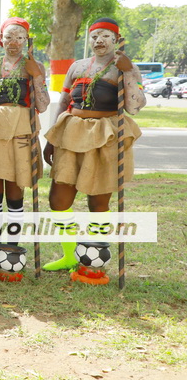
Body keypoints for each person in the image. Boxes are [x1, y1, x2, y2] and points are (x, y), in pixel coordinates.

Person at [42, 18, 145, 271]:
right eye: (95, 36)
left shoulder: (124, 68)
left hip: (105, 138)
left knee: (98, 202)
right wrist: (52, 139)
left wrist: (129, 71)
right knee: (58, 200)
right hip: (71, 135)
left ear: (116, 41)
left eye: (106, 36)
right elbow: (64, 100)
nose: (99, 40)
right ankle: (70, 255)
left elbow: (136, 106)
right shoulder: (77, 66)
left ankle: (92, 257)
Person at [0, 18, 48, 251]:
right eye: (9, 37)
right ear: (1, 40)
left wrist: (36, 75)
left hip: (21, 131)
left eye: (19, 37)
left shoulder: (35, 66)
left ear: (26, 41)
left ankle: (12, 246)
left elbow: (44, 105)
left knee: (16, 187)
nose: (13, 42)